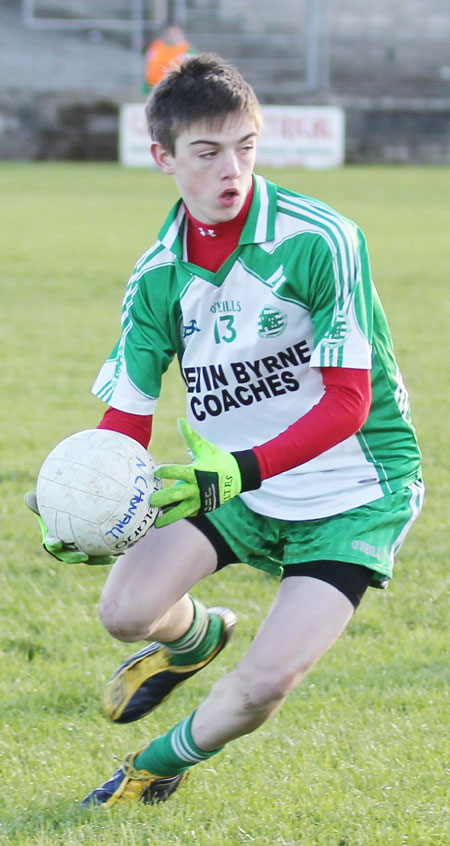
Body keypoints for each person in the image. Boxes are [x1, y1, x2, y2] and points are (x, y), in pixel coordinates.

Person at [27, 53, 424, 808]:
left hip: (352, 490)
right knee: (123, 612)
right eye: (206, 153)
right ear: (163, 158)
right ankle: (195, 638)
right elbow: (126, 420)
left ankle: (155, 763)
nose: (230, 169)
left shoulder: (320, 240)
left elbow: (349, 400)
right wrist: (86, 503)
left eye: (244, 146)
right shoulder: (157, 277)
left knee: (266, 684)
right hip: (236, 481)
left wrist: (240, 469)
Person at [142, 25, 195, 94]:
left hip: (175, 89)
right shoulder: (156, 46)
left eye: (174, 33)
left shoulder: (187, 50)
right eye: (169, 33)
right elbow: (149, 65)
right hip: (154, 86)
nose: (171, 35)